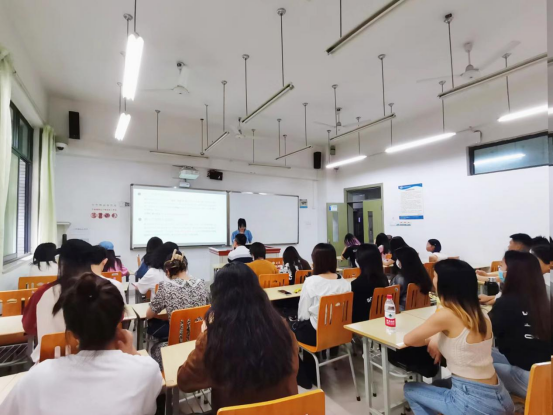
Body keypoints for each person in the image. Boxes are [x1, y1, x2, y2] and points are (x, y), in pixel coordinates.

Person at [1, 273, 162, 415]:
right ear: (120, 318)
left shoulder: (34, 379)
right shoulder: (146, 370)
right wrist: (132, 352)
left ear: (71, 330)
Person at [177, 263, 298, 413]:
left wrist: (205, 334)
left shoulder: (214, 338)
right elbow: (293, 368)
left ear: (218, 298)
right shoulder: (282, 328)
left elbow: (184, 382)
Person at [403, 259, 514, 415]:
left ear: (445, 284)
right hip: (501, 397)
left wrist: (432, 338)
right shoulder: (481, 314)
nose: (433, 280)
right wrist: (437, 336)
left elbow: (409, 339)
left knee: (410, 389)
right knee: (439, 384)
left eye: (435, 276)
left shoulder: (446, 315)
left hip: (473, 403)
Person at [489, 251, 551, 398]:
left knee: (479, 365)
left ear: (512, 273)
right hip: (546, 372)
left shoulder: (506, 303)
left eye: (502, 267)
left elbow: (481, 333)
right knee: (487, 353)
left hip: (531, 380)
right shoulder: (545, 301)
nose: (500, 271)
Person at [23, 239, 96, 361]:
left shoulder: (43, 293)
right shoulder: (105, 289)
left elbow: (29, 326)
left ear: (61, 263)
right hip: (95, 360)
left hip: (51, 360)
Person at [292, 243, 351, 386]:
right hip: (341, 333)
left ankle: (307, 376)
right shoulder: (345, 283)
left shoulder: (311, 282)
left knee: (288, 331)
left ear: (316, 261)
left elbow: (303, 314)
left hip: (317, 335)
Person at [146, 250, 210, 368]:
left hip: (175, 346)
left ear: (168, 270)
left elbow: (149, 314)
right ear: (185, 266)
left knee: (155, 348)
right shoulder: (201, 284)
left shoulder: (166, 287)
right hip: (199, 343)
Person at [351, 244, 389, 323]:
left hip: (361, 326)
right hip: (381, 321)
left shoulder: (355, 285)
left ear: (359, 261)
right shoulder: (384, 279)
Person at [391, 246, 432, 310]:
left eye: (398, 259)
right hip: (423, 309)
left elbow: (392, 297)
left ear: (404, 261)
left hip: (403, 310)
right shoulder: (424, 275)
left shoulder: (400, 278)